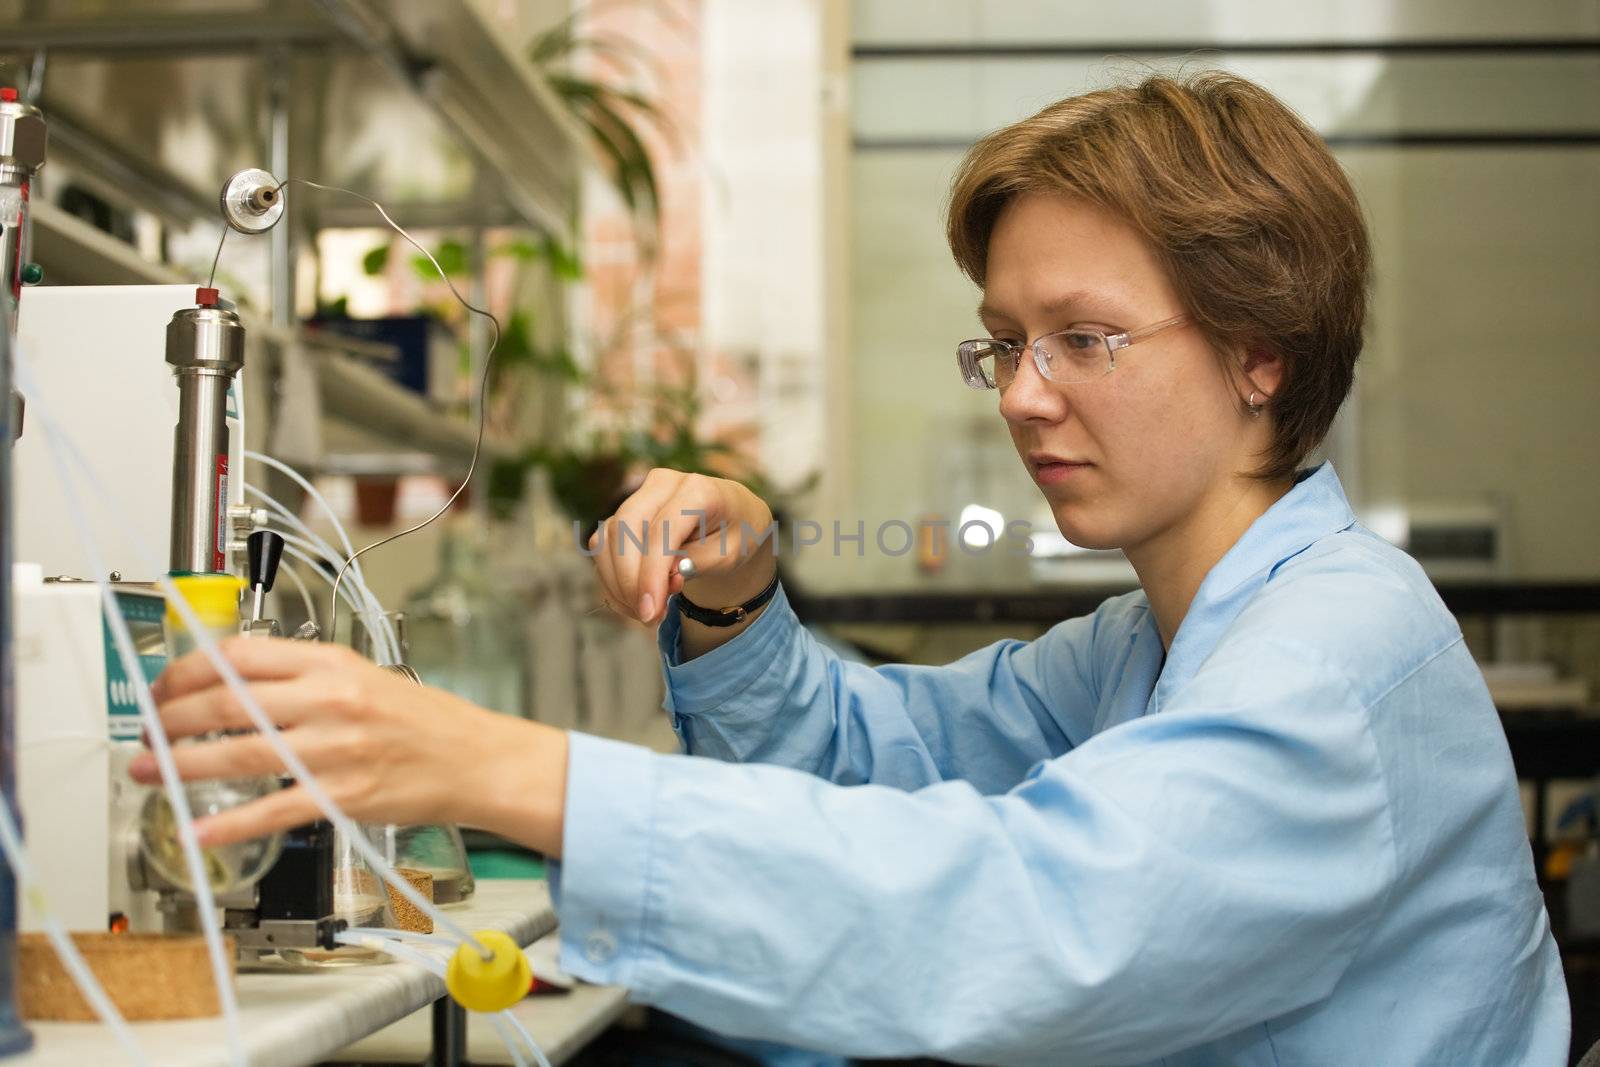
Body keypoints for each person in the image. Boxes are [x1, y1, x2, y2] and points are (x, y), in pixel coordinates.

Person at [133, 72, 1569, 1064]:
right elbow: (884, 760)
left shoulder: (1330, 662)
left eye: (1086, 338)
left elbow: (1034, 919)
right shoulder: (1146, 641)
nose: (1019, 394)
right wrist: (737, 597)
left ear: (1263, 351)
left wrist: (504, 768)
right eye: (1005, 342)